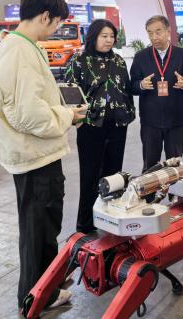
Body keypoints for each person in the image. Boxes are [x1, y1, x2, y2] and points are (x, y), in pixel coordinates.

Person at [0, 0, 86, 312]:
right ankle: (37, 295)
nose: (56, 29)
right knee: (39, 228)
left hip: (30, 155)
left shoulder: (12, 46)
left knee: (38, 227)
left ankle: (44, 285)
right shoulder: (21, 53)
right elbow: (28, 114)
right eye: (57, 22)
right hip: (35, 157)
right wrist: (68, 115)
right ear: (45, 16)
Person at [65, 19, 135, 232]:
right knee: (90, 175)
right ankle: (85, 224)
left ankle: (110, 218)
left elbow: (126, 89)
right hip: (90, 127)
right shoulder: (80, 60)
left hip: (117, 125)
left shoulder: (119, 60)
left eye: (112, 36)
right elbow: (70, 91)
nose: (109, 40)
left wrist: (128, 114)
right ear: (93, 37)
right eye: (104, 36)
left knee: (114, 175)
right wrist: (77, 119)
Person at [130, 16, 183, 171]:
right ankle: (149, 188)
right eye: (150, 33)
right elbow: (132, 86)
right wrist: (141, 85)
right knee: (149, 165)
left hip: (176, 121)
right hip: (150, 122)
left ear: (168, 31)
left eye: (158, 32)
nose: (154, 37)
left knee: (175, 166)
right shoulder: (141, 57)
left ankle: (174, 188)